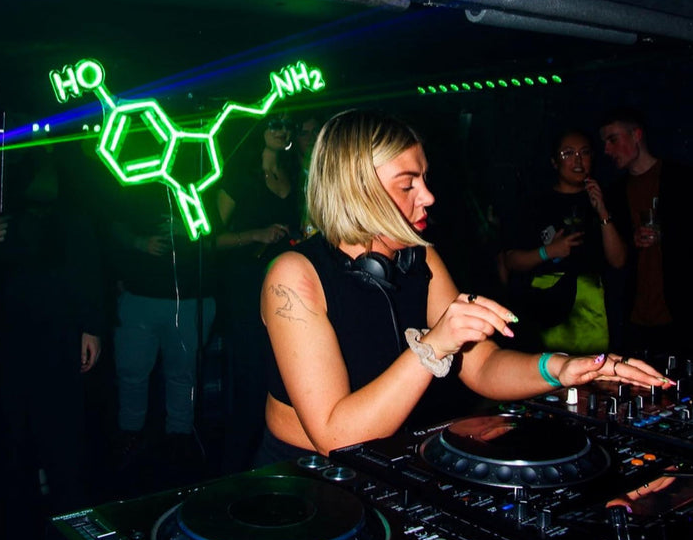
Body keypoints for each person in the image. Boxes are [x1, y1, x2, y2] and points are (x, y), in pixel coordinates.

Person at [255, 110, 666, 463]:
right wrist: (433, 346)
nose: (429, 196)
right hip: (306, 478)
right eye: (408, 184)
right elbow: (336, 438)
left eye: (425, 179)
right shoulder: (295, 276)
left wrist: (562, 367)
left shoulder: (421, 256)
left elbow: (483, 366)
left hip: (391, 457)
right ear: (356, 189)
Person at [0, 150, 103, 540]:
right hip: (4, 334)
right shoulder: (5, 172)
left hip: (57, 329)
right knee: (9, 446)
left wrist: (91, 323)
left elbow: (85, 241)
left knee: (63, 446)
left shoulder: (67, 171)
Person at [215, 114, 303, 472]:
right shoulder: (237, 177)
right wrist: (256, 234)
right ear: (258, 131)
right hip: (246, 287)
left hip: (287, 289)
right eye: (274, 125)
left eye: (287, 125)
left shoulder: (295, 172)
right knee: (251, 379)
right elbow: (210, 240)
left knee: (283, 373)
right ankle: (237, 466)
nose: (283, 130)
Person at [111, 181, 217, 469]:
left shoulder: (201, 178)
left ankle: (179, 438)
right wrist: (139, 242)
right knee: (132, 370)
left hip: (191, 298)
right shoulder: (136, 179)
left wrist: (190, 230)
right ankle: (130, 435)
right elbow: (113, 223)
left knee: (183, 374)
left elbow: (215, 239)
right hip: (140, 294)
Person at [503, 128, 627, 353]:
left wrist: (602, 211)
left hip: (591, 312)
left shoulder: (605, 198)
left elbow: (618, 261)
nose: (578, 160)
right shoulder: (536, 203)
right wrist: (548, 252)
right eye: (568, 153)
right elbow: (511, 261)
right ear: (554, 162)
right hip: (545, 306)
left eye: (585, 152)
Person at [599, 107, 693, 359]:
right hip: (634, 318)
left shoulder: (681, 179)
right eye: (604, 143)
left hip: (680, 314)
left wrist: (668, 235)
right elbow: (615, 260)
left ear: (636, 135)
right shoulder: (614, 193)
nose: (607, 150)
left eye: (613, 139)